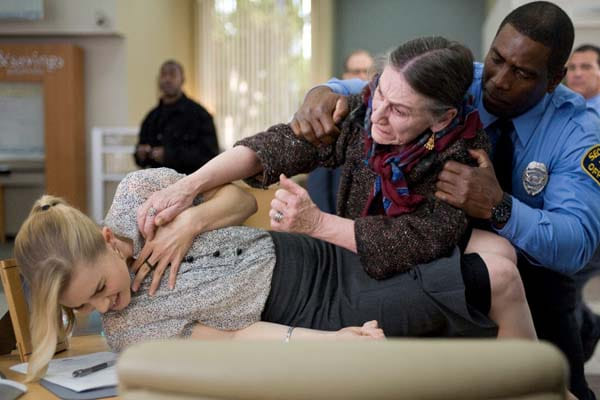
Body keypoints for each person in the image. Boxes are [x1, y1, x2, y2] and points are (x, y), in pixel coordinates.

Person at [136, 37, 538, 348]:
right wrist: (189, 185)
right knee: (497, 258)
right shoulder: (362, 112)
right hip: (351, 260)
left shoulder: (462, 156)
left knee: (500, 255)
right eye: (380, 92)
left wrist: (315, 223)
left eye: (399, 110)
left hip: (390, 261)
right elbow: (280, 145)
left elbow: (419, 240)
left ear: (442, 119)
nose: (378, 116)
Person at [289, 3, 600, 399]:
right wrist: (324, 91)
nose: (499, 81)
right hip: (440, 263)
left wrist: (499, 207)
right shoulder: (464, 80)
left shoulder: (577, 131)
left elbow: (577, 244)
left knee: (557, 388)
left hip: (537, 282)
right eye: (497, 59)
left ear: (555, 79)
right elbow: (378, 89)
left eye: (522, 73)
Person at [15, 172, 389, 382]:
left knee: (407, 256)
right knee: (412, 316)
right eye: (82, 306)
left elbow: (244, 201)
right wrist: (330, 341)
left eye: (99, 288)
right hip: (308, 311)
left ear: (107, 240)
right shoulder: (127, 330)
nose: (102, 307)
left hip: (308, 250)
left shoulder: (137, 192)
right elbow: (235, 338)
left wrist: (190, 223)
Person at [307, 50, 375, 214]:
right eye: (356, 71)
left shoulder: (383, 109)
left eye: (366, 71)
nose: (361, 77)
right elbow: (319, 178)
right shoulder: (331, 113)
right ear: (346, 76)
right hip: (335, 210)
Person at [566, 43, 600, 362]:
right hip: (577, 216)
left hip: (594, 221)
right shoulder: (569, 111)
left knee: (564, 284)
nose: (576, 73)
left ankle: (573, 363)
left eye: (586, 67)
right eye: (572, 68)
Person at [134, 60, 219, 175]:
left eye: (172, 74)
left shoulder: (199, 115)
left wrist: (169, 155)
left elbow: (210, 154)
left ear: (182, 79)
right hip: (156, 182)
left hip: (189, 180)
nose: (167, 79)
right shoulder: (151, 117)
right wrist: (141, 154)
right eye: (163, 75)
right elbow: (140, 154)